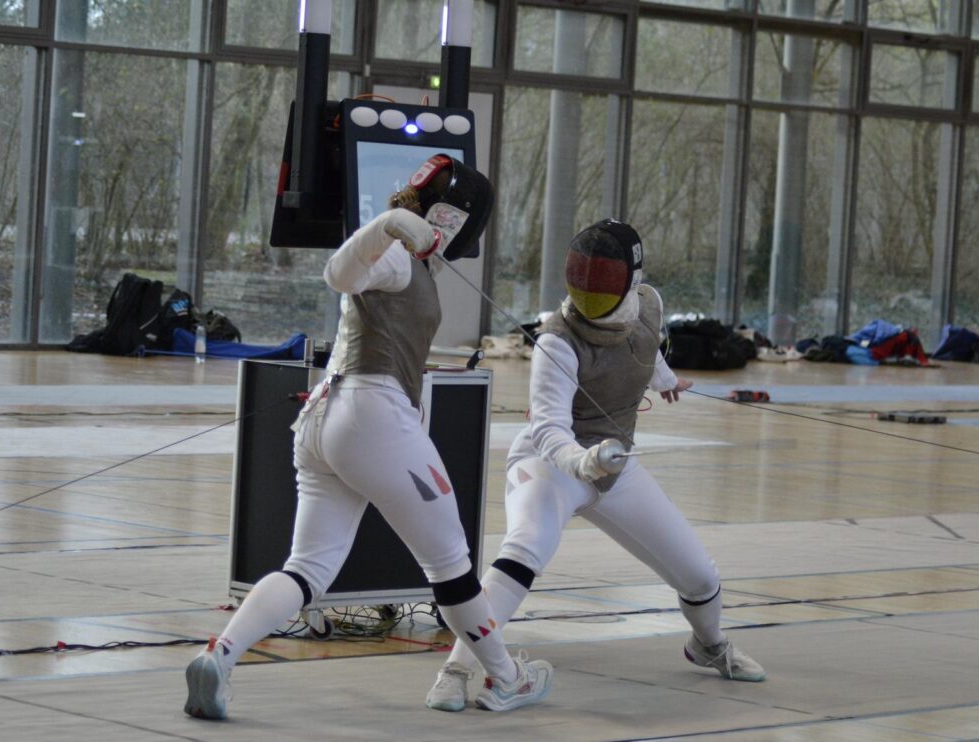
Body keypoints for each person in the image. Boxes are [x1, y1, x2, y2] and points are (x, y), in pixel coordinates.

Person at [184, 154, 552, 720]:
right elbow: (339, 273)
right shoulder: (397, 256)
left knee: (307, 567)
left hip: (328, 420)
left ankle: (221, 655)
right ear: (453, 219)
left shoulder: (411, 262)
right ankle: (507, 676)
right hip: (370, 417)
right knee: (450, 564)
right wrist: (388, 228)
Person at [426, 219, 764, 712]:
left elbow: (644, 347)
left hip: (616, 468)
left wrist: (666, 379)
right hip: (553, 467)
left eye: (602, 283)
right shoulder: (557, 341)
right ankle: (456, 669)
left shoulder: (649, 304)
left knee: (699, 576)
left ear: (631, 279)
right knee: (521, 553)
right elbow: (547, 428)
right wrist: (579, 462)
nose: (589, 295)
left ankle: (709, 645)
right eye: (582, 283)